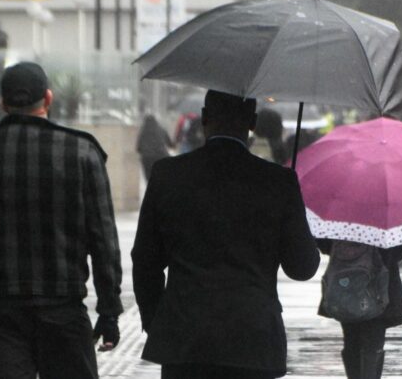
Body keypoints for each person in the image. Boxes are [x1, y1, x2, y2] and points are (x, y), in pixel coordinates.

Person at [0, 62, 123, 379]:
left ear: (2, 104)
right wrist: (109, 311)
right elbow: (103, 240)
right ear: (48, 99)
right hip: (64, 309)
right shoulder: (82, 153)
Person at [131, 90, 320, 379]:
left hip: (184, 339)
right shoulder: (278, 181)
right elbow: (302, 267)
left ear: (205, 119)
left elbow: (145, 260)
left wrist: (157, 322)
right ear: (252, 123)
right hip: (253, 341)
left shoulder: (168, 174)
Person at [317, 240, 402, 379]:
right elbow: (401, 248)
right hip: (379, 288)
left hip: (346, 284)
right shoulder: (385, 224)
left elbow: (324, 244)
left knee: (351, 338)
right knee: (373, 342)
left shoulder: (341, 222)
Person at [136, 114, 173, 180]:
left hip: (147, 158)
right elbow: (170, 144)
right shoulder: (162, 130)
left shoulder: (143, 132)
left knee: (149, 178)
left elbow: (138, 148)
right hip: (161, 156)